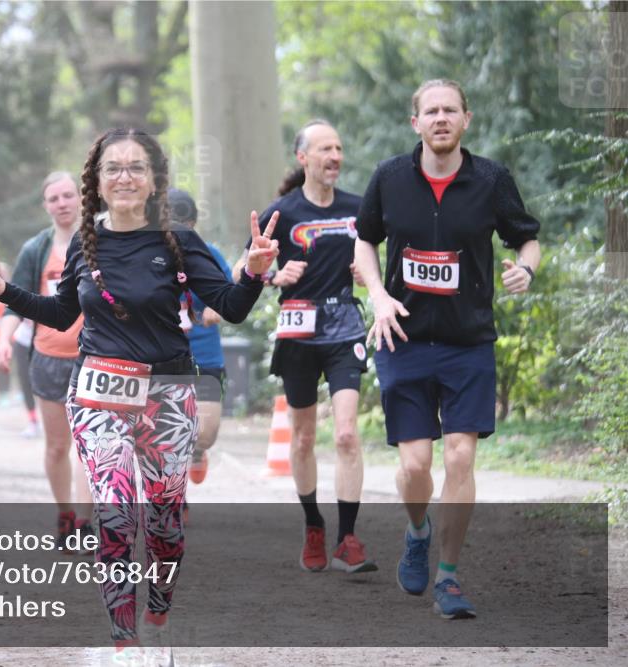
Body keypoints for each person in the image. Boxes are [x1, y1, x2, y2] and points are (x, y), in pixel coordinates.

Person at [0, 127, 278, 665]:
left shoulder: (177, 240)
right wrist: (6, 294)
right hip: (98, 391)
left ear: (156, 179)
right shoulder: (85, 242)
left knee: (164, 522)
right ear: (97, 180)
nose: (125, 177)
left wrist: (252, 272)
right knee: (114, 511)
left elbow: (229, 305)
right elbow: (64, 313)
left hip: (167, 391)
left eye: (137, 167)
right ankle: (123, 638)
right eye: (113, 168)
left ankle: (158, 604)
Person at [355, 79, 541, 619]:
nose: (440, 118)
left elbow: (526, 236)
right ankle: (418, 530)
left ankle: (450, 578)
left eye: (450, 110)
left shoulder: (490, 179)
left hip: (468, 341)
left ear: (466, 120)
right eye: (430, 111)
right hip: (404, 339)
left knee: (460, 454)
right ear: (415, 122)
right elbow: (364, 238)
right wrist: (378, 295)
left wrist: (524, 269)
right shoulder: (390, 178)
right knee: (415, 466)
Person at [234, 119, 376, 575]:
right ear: (303, 158)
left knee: (348, 434)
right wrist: (273, 275)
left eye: (339, 148)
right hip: (298, 327)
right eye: (325, 149)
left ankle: (348, 538)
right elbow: (244, 268)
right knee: (303, 438)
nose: (335, 156)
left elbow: (378, 254)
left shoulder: (360, 207)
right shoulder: (283, 211)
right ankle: (314, 524)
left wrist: (367, 272)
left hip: (344, 325)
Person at [0, 171, 94, 551]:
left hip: (93, 358)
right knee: (57, 447)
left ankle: (85, 523)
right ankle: (65, 514)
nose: (63, 203)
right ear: (46, 206)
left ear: (80, 198)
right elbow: (12, 302)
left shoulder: (98, 243)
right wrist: (4, 341)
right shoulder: (36, 250)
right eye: (54, 198)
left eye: (69, 195)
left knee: (89, 443)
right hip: (49, 359)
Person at [165, 188, 231, 485]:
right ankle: (173, 495)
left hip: (204, 355)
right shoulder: (147, 257)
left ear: (193, 225)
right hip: (162, 356)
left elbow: (231, 294)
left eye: (184, 227)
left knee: (205, 432)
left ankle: (197, 452)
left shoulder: (209, 255)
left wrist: (218, 307)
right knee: (165, 432)